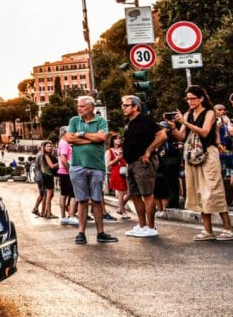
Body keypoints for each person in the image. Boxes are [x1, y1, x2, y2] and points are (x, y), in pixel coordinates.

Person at [172, 85, 233, 242]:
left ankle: (228, 229)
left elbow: (204, 132)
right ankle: (208, 230)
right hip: (193, 157)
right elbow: (181, 137)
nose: (190, 101)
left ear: (201, 98)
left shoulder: (209, 113)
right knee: (199, 191)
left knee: (214, 189)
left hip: (208, 154)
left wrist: (185, 123)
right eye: (187, 99)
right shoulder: (187, 114)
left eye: (193, 98)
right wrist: (173, 126)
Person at [63, 96, 116, 245]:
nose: (79, 109)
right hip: (78, 165)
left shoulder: (100, 121)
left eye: (82, 106)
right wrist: (91, 139)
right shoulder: (74, 120)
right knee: (82, 200)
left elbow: (102, 137)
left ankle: (101, 233)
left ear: (91, 108)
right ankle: (81, 233)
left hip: (96, 166)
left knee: (97, 200)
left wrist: (82, 134)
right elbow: (69, 138)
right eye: (78, 106)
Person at [120, 95, 165, 238]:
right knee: (135, 194)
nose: (123, 108)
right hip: (131, 162)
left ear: (135, 107)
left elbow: (162, 135)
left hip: (142, 162)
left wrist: (149, 151)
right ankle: (142, 225)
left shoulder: (144, 120)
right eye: (123, 105)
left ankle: (151, 227)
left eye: (126, 105)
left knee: (147, 194)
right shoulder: (129, 122)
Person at [105, 133, 130, 220]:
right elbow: (108, 164)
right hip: (116, 172)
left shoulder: (123, 149)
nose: (118, 140)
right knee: (121, 193)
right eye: (116, 139)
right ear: (112, 140)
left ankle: (120, 208)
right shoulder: (109, 151)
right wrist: (117, 158)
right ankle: (123, 212)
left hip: (125, 171)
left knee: (130, 192)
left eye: (119, 138)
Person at [56, 129, 76, 225]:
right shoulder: (64, 143)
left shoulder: (62, 143)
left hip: (62, 171)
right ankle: (71, 216)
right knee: (73, 194)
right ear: (65, 133)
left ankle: (63, 216)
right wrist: (69, 171)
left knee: (64, 194)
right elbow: (64, 159)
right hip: (66, 172)